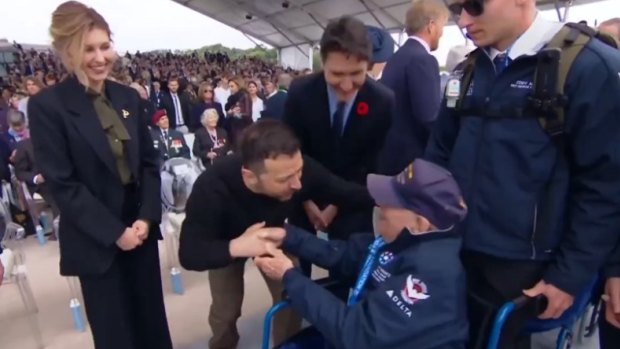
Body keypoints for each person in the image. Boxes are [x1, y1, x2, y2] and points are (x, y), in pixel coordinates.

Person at [426, 1, 620, 348]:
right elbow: (439, 151)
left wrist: (568, 275)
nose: (464, 20)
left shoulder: (589, 69)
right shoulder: (466, 70)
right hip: (453, 252)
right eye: (456, 8)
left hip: (520, 269)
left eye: (474, 5)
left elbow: (605, 186)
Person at [28, 2, 172, 349]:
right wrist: (114, 233)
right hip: (98, 239)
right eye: (87, 49)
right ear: (66, 52)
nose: (99, 57)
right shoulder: (48, 106)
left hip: (139, 231)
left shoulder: (127, 97)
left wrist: (146, 217)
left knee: (153, 329)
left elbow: (150, 165)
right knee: (116, 336)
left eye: (104, 46)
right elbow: (62, 183)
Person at [178, 119, 376, 349]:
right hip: (225, 243)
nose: (298, 185)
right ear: (250, 176)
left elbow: (345, 192)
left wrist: (399, 196)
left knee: (291, 296)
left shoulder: (296, 170)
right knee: (226, 310)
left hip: (275, 235)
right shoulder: (212, 186)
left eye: (299, 172)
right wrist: (238, 246)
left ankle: (285, 345)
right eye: (284, 180)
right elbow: (190, 253)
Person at [256, 159, 468, 349]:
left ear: (420, 223)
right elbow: (345, 256)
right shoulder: (400, 242)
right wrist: (285, 234)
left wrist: (289, 276)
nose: (380, 206)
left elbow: (358, 336)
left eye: (391, 203)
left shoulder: (431, 272)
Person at [283, 15, 394, 245]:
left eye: (356, 74)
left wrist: (335, 205)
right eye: (337, 75)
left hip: (353, 198)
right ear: (322, 64)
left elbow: (371, 164)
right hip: (302, 191)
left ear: (368, 66)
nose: (346, 86)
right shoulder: (301, 92)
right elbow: (291, 150)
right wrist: (306, 201)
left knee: (349, 269)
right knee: (294, 266)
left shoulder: (382, 101)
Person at [378, 0, 449, 175]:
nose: (442, 33)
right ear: (431, 26)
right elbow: (429, 116)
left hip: (390, 156)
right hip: (412, 162)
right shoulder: (423, 59)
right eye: (442, 26)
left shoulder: (397, 57)